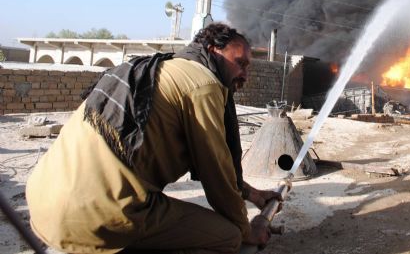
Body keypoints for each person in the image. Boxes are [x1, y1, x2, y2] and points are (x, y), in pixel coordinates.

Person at [26, 23, 281, 254]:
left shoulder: (163, 67)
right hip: (92, 217)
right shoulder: (203, 85)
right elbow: (217, 172)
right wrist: (247, 231)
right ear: (214, 51)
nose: (245, 75)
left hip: (42, 203)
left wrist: (254, 195)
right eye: (241, 63)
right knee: (228, 237)